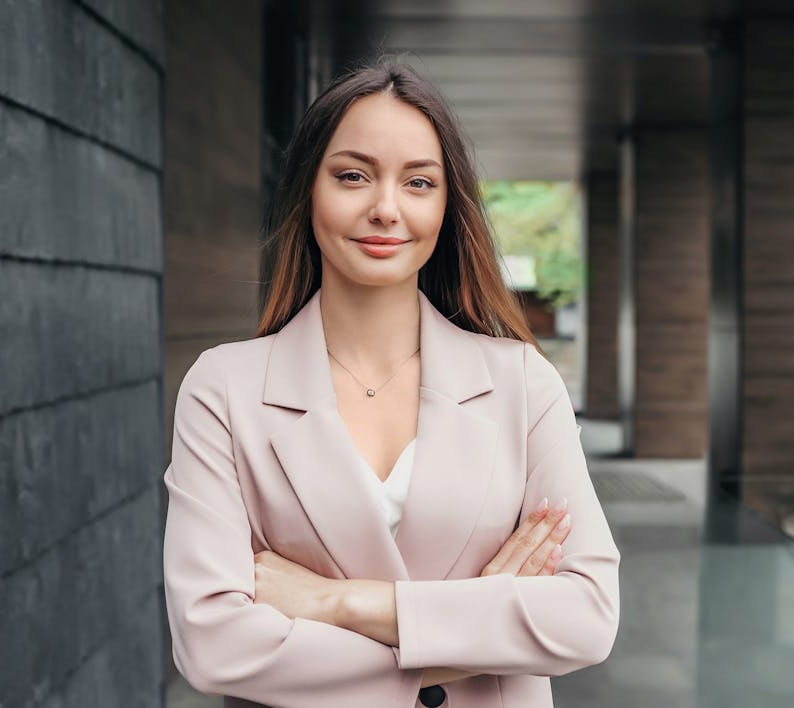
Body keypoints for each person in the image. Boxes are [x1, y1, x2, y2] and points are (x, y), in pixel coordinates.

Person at [163, 60, 620, 708]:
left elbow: (588, 615)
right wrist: (470, 639)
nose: (385, 208)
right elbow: (212, 645)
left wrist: (339, 601)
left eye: (418, 182)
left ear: (445, 203)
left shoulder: (521, 383)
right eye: (353, 175)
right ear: (308, 193)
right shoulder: (223, 389)